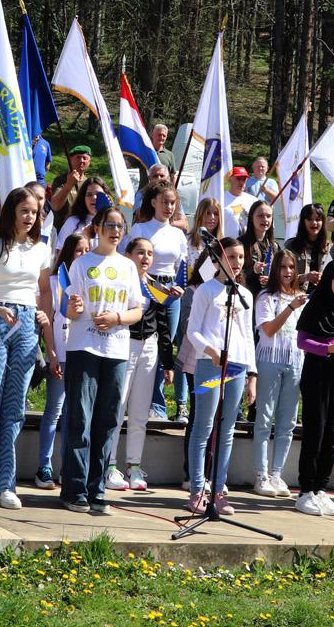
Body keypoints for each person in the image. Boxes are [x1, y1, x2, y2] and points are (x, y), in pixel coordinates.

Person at [0, 188, 52, 509]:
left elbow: (44, 290)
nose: (30, 217)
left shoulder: (41, 249)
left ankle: (5, 485)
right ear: (12, 212)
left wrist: (44, 313)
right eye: (25, 211)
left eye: (34, 212)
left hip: (27, 324)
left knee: (15, 408)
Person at [60, 205, 144, 515]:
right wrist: (75, 307)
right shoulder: (82, 264)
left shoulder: (128, 267)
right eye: (109, 224)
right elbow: (70, 309)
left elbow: (137, 310)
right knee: (81, 418)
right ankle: (74, 489)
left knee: (108, 421)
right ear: (97, 226)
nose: (115, 230)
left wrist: (117, 317)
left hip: (117, 351)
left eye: (120, 225)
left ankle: (97, 489)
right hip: (84, 347)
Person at [182, 236, 256, 515]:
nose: (237, 263)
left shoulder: (245, 295)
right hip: (210, 365)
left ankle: (219, 490)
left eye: (240, 257)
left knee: (227, 430)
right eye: (231, 257)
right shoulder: (206, 291)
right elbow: (193, 331)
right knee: (203, 427)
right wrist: (211, 351)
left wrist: (252, 374)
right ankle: (197, 489)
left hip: (236, 366)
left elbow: (248, 336)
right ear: (218, 260)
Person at [106, 236, 173, 492]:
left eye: (150, 254)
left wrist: (167, 363)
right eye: (140, 252)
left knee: (139, 413)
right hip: (126, 343)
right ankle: (109, 465)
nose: (145, 258)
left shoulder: (156, 286)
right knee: (117, 406)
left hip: (150, 348)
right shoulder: (121, 281)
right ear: (129, 254)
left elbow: (164, 325)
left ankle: (134, 465)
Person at [295, 258, 334, 516]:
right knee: (315, 429)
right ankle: (305, 490)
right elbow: (302, 341)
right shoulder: (316, 304)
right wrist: (328, 348)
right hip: (318, 366)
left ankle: (321, 488)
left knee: (333, 430)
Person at [126, 181, 189, 427]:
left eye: (173, 203)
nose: (169, 207)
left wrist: (179, 287)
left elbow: (182, 267)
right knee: (145, 342)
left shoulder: (177, 234)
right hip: (146, 289)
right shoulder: (140, 229)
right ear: (153, 202)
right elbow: (129, 258)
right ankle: (137, 400)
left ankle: (157, 404)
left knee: (164, 346)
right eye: (164, 202)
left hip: (170, 292)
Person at [35, 232, 91, 490]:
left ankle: (67, 466)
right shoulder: (55, 281)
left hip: (82, 354)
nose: (83, 254)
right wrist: (53, 354)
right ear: (68, 252)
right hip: (61, 354)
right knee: (54, 410)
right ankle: (44, 465)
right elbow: (48, 319)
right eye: (79, 250)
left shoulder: (90, 282)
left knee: (74, 413)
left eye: (86, 250)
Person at [252, 248, 306, 499]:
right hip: (269, 360)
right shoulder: (266, 297)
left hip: (295, 361)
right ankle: (261, 474)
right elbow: (269, 330)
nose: (287, 272)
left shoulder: (302, 298)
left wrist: (297, 304)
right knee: (264, 419)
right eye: (283, 267)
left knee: (287, 422)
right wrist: (290, 308)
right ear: (275, 269)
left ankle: (276, 473)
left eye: (292, 267)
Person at [171, 198, 225, 423]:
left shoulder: (221, 244)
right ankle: (181, 403)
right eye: (208, 213)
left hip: (214, 303)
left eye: (215, 214)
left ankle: (204, 402)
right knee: (187, 349)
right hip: (190, 297)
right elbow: (182, 271)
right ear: (199, 216)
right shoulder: (188, 241)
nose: (211, 218)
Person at [285, 204, 330, 290]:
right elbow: (282, 277)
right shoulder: (291, 246)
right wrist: (305, 277)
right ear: (303, 221)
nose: (314, 223)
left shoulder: (329, 248)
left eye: (318, 219)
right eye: (309, 219)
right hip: (297, 295)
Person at [53, 176, 107, 250]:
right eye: (89, 195)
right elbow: (59, 252)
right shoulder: (72, 222)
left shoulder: (113, 222)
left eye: (98, 194)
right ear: (83, 198)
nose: (94, 197)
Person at [240, 200, 279, 299]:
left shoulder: (274, 246)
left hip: (269, 298)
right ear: (252, 218)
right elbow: (234, 273)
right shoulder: (241, 243)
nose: (265, 219)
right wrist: (253, 271)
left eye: (269, 216)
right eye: (260, 215)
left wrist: (272, 280)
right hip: (248, 298)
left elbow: (280, 272)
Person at [49, 145, 94, 216]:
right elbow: (55, 206)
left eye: (85, 158)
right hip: (62, 225)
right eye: (78, 157)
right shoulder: (60, 180)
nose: (81, 160)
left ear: (89, 162)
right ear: (70, 160)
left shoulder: (90, 183)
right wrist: (69, 185)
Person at [222, 167, 255, 238]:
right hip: (227, 244)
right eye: (238, 178)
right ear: (230, 179)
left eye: (244, 179)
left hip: (247, 244)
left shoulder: (253, 200)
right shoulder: (221, 199)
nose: (241, 182)